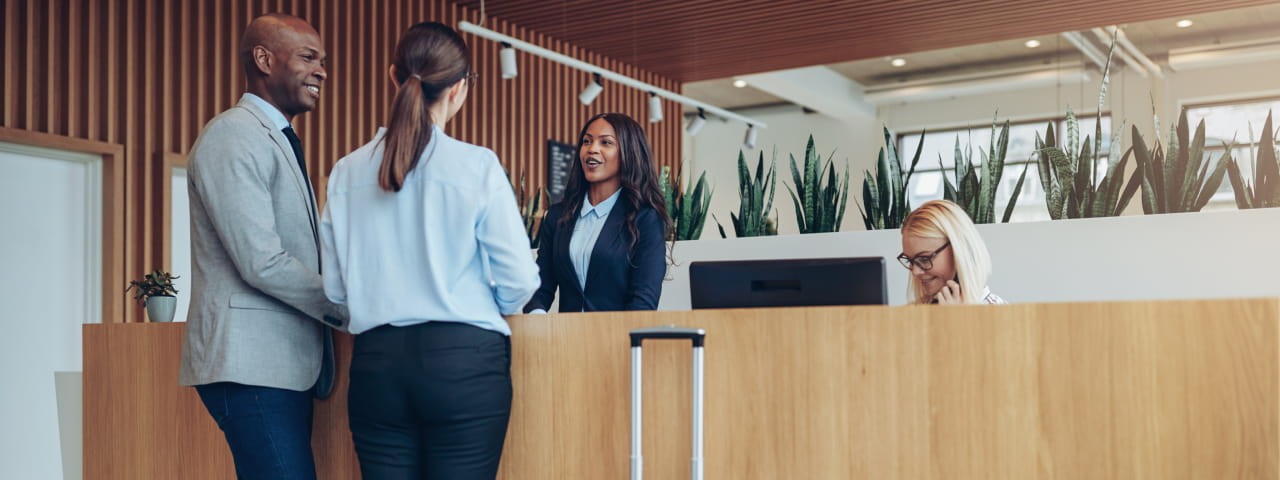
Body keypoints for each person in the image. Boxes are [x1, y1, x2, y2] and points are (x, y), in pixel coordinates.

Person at [319, 22, 539, 479]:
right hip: (465, 362)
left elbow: (336, 291)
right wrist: (477, 303)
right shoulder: (476, 165)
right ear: (459, 89)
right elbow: (519, 280)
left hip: (377, 367)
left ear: (394, 76)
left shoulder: (346, 172)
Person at [179, 13, 347, 480]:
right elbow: (261, 261)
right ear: (263, 59)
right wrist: (348, 306)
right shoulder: (233, 135)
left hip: (279, 368)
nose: (322, 71)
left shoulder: (273, 137)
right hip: (250, 368)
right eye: (309, 58)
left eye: (323, 60)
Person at [523, 112, 671, 313]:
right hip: (563, 339)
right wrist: (537, 318)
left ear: (629, 152)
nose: (592, 149)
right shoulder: (558, 216)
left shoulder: (645, 219)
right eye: (587, 141)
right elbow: (540, 287)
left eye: (606, 143)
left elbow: (643, 300)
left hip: (617, 339)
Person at [898, 199, 1006, 305]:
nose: (915, 272)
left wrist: (955, 319)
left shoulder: (998, 312)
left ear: (957, 251)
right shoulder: (915, 313)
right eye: (910, 260)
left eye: (924, 259)